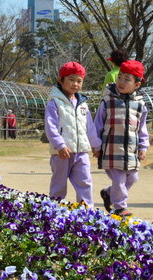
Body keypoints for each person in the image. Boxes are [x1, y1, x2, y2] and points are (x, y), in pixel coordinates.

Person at [95, 59, 149, 217]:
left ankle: (108, 193)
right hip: (111, 148)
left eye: (127, 79)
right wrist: (96, 145)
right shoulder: (107, 101)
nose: (121, 82)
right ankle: (120, 207)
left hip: (131, 151)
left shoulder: (140, 105)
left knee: (133, 178)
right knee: (119, 179)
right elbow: (97, 124)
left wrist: (143, 147)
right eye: (120, 77)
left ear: (137, 84)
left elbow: (142, 128)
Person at [44, 62, 101, 206]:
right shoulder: (54, 102)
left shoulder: (83, 103)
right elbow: (51, 127)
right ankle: (54, 210)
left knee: (85, 182)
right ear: (61, 80)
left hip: (82, 152)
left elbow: (90, 127)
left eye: (79, 81)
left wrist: (95, 145)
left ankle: (87, 211)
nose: (75, 84)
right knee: (59, 185)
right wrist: (60, 145)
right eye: (71, 79)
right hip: (62, 153)